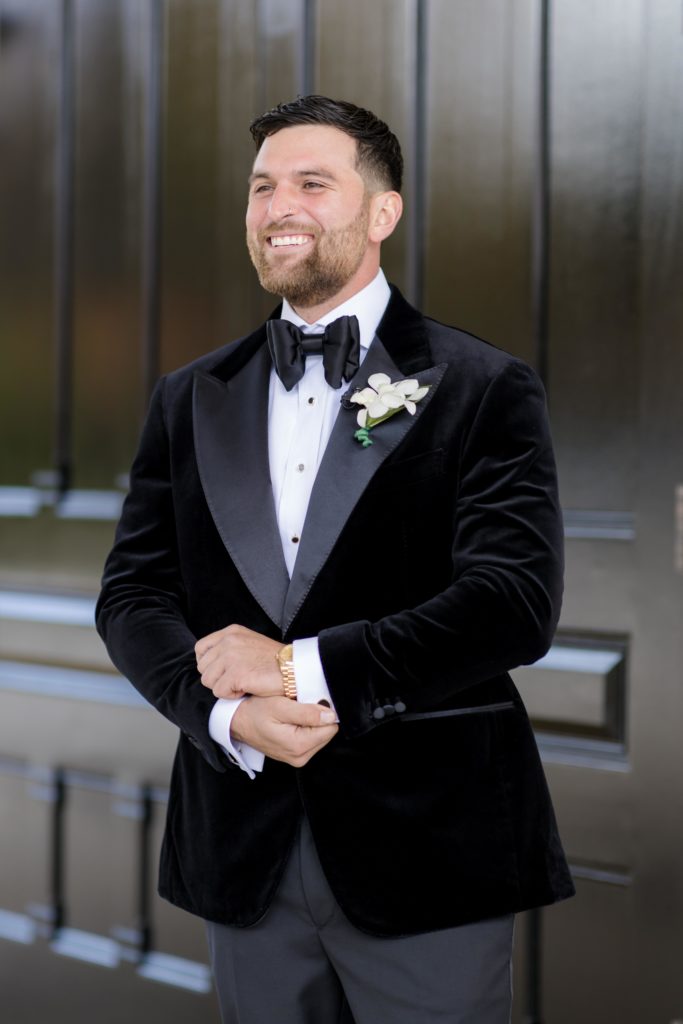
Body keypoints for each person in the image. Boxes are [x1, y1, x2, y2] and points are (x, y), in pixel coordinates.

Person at [96, 95, 574, 1023]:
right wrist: (225, 713)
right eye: (262, 186)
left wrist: (293, 669)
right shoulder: (188, 396)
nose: (280, 207)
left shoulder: (483, 386)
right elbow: (132, 594)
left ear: (381, 212)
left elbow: (512, 600)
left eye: (313, 183)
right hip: (243, 849)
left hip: (429, 847)